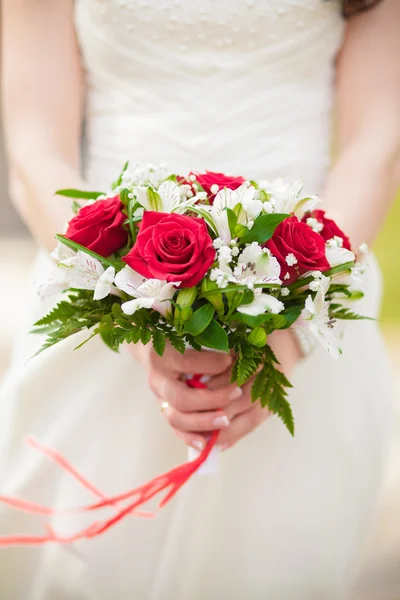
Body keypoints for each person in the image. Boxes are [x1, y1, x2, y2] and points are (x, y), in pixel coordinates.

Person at [1, 1, 399, 598]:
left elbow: (376, 144)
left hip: (305, 288)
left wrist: (289, 334)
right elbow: (36, 153)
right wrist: (134, 318)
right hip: (104, 284)